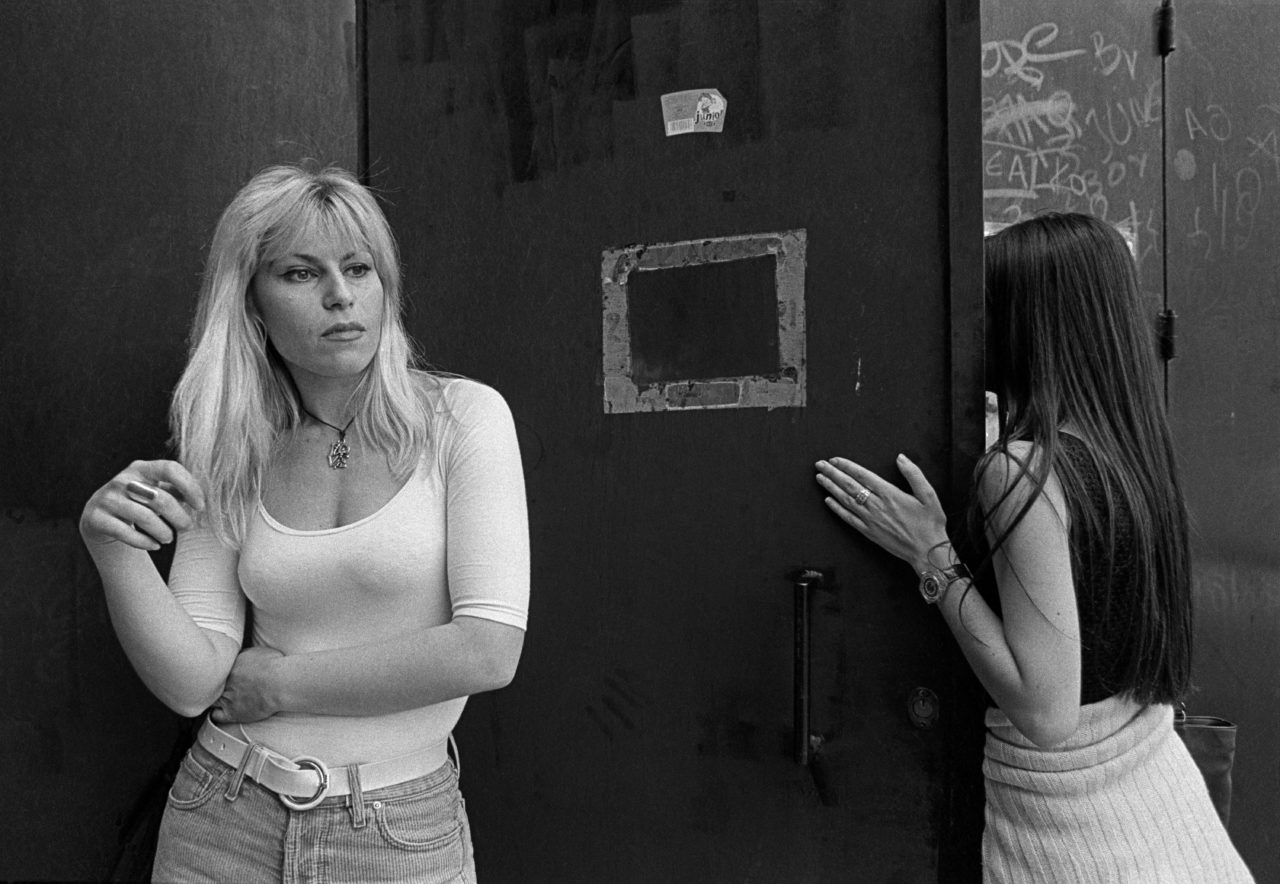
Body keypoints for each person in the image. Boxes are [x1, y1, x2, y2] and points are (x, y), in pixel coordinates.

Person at [79, 164, 529, 883]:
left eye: (359, 268)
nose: (340, 295)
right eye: (300, 273)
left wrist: (283, 685)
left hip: (396, 832)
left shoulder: (462, 419)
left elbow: (486, 651)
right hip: (222, 817)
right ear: (251, 304)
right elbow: (194, 681)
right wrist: (114, 553)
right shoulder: (232, 442)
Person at [814, 212, 1253, 882]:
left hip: (1077, 846)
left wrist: (931, 556)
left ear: (1025, 324)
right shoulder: (1132, 451)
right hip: (1169, 819)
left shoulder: (1021, 471)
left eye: (985, 306)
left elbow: (1046, 713)